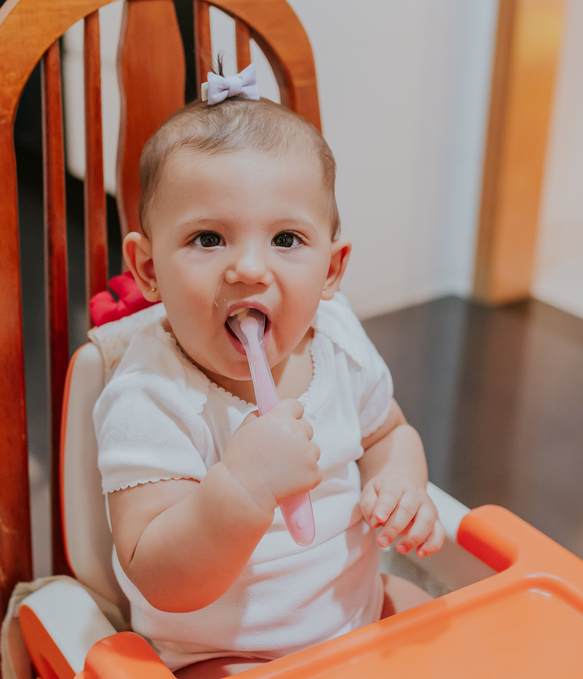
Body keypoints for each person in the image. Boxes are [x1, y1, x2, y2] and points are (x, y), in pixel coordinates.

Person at [94, 68, 442, 678]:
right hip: (223, 657)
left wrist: (402, 484)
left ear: (332, 270)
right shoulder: (150, 398)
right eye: (208, 239)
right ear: (148, 269)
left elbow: (388, 432)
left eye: (286, 238)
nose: (250, 268)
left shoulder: (338, 342)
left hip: (354, 622)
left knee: (441, 626)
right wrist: (244, 489)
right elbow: (157, 574)